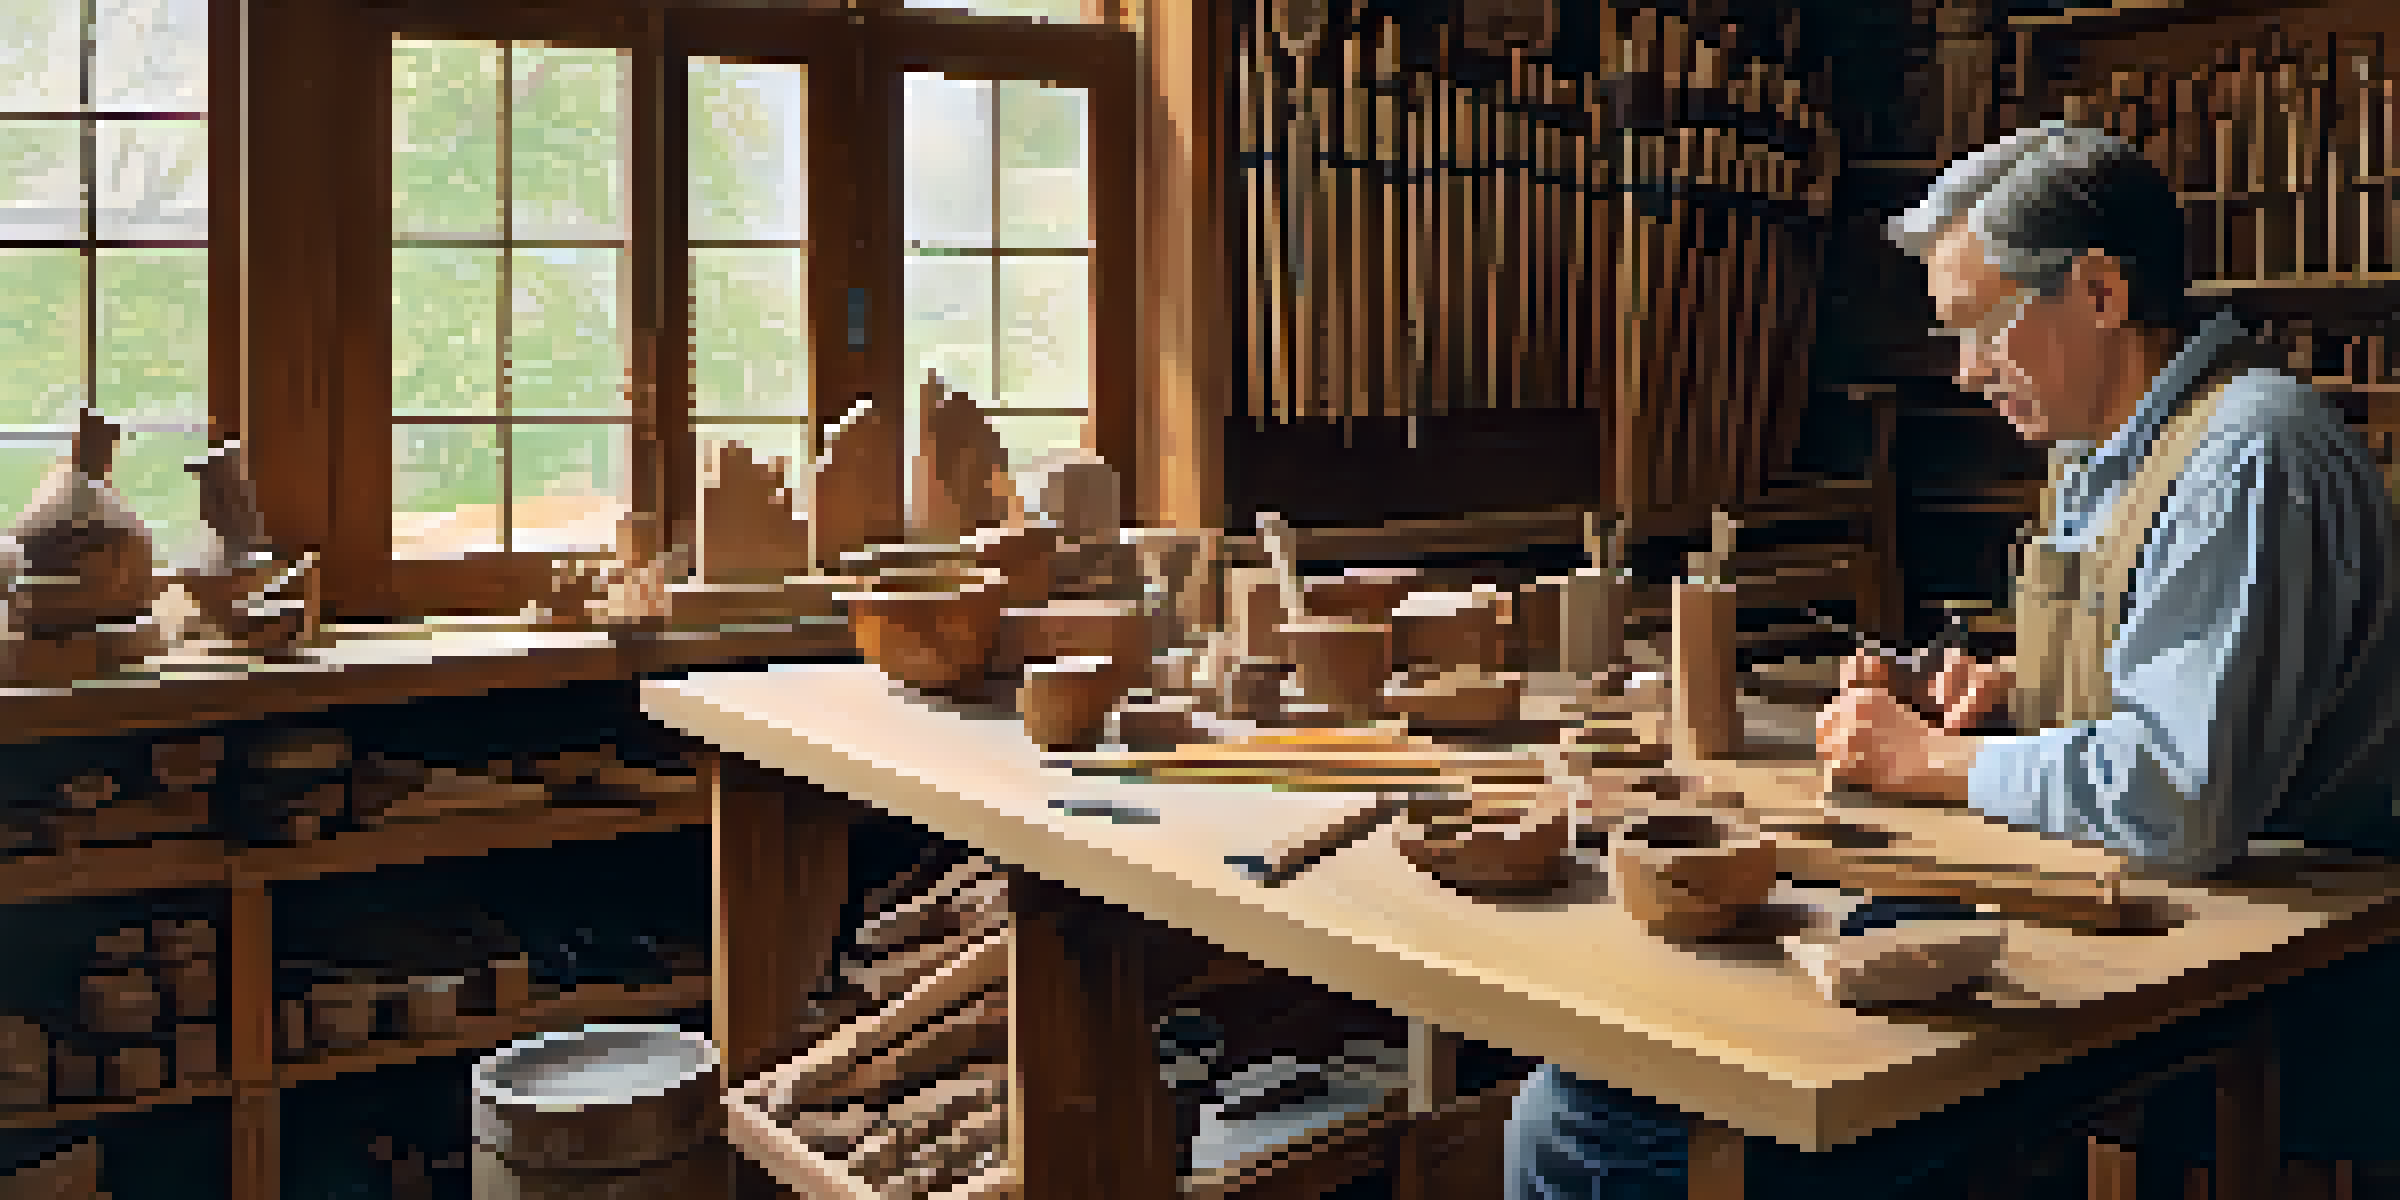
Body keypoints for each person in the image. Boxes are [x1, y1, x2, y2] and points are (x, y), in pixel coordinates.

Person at [1506, 120, 2400, 1199]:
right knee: (1617, 1071)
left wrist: (1933, 764)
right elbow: (2185, 671)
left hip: (2273, 968)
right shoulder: (2100, 450)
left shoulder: (2248, 457)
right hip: (2136, 916)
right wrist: (2008, 693)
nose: (1968, 371)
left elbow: (2180, 794)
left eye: (1982, 328)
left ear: (2101, 293)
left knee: (1603, 1131)